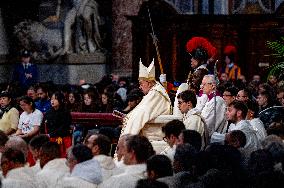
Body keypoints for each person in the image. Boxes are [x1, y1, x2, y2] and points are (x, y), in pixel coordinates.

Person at [120, 59, 171, 152]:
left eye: (141, 83)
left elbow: (142, 114)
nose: (140, 87)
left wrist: (129, 119)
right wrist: (128, 116)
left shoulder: (156, 94)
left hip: (155, 132)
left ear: (148, 82)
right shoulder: (152, 92)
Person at [42, 92, 72, 157]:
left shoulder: (65, 112)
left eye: (55, 99)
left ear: (61, 100)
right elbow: (44, 126)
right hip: (49, 138)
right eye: (51, 99)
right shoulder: (48, 113)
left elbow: (64, 127)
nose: (52, 101)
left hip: (62, 137)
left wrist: (50, 135)